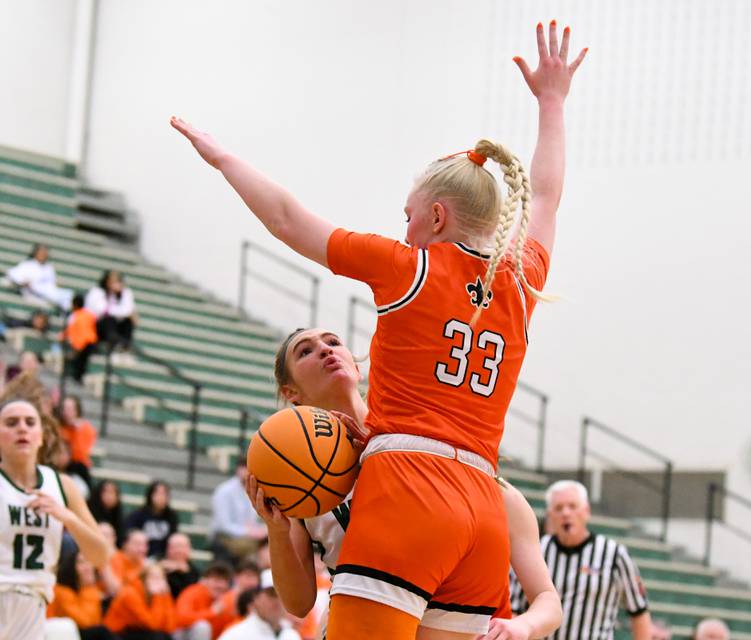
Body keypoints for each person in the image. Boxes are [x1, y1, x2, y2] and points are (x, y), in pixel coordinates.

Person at [173, 21, 585, 638]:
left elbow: (288, 220)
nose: (404, 226)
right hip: (481, 504)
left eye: (409, 215)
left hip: (410, 488)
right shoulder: (521, 278)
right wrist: (552, 103)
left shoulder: (409, 265)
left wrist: (224, 158)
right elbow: (546, 196)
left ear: (437, 216)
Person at [245, 328, 561, 639]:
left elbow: (548, 600)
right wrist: (277, 530)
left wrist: (523, 626)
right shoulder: (298, 481)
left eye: (333, 342)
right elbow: (299, 604)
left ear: (356, 367)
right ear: (291, 393)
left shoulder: (443, 455)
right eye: (305, 351)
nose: (325, 350)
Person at [0, 397, 111, 640]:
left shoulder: (62, 486)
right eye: (11, 422)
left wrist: (68, 518)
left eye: (30, 422)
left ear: (41, 436)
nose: (22, 428)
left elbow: (101, 555)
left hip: (33, 605)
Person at [514, 480, 651, 640]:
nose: (566, 513)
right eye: (558, 508)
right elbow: (514, 608)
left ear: (587, 511)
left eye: (572, 506)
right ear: (550, 515)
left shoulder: (614, 554)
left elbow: (639, 612)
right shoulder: (534, 551)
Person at [47, 550, 118, 640]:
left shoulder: (87, 590)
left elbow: (95, 620)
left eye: (89, 562)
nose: (88, 567)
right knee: (101, 631)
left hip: (79, 633)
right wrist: (89, 589)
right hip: (58, 634)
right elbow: (85, 622)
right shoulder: (61, 591)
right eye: (82, 562)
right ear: (71, 567)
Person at [209, 459, 267, 563]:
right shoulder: (224, 491)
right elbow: (224, 526)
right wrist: (249, 532)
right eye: (244, 467)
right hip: (223, 536)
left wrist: (259, 530)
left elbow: (252, 521)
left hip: (247, 534)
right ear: (237, 470)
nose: (246, 472)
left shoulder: (254, 489)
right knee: (256, 546)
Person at [103, 561, 176, 640]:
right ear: (143, 578)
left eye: (161, 578)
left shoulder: (154, 594)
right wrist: (159, 597)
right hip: (114, 633)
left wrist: (166, 596)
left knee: (165, 636)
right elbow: (152, 624)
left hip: (134, 629)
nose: (158, 582)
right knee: (157, 637)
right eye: (153, 577)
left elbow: (170, 627)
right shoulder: (130, 593)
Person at [218, 572, 301, 640]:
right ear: (255, 598)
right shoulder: (235, 635)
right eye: (272, 594)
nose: (278, 601)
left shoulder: (292, 635)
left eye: (284, 595)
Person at [174, 562, 234, 640]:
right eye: (216, 580)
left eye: (225, 581)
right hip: (182, 634)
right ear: (205, 580)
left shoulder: (227, 599)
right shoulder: (192, 592)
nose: (220, 585)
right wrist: (212, 612)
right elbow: (181, 618)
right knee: (202, 626)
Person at [5, 243, 73, 310]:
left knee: (70, 295)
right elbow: (12, 274)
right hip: (34, 293)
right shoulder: (27, 265)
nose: (44, 254)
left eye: (45, 253)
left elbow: (52, 284)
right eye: (42, 252)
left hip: (49, 292)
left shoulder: (49, 267)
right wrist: (22, 283)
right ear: (36, 253)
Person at [123, 481, 178, 559]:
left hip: (163, 558)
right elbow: (127, 537)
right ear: (150, 495)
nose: (162, 497)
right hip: (140, 556)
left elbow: (172, 539)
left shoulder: (172, 516)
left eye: (165, 494)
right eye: (158, 494)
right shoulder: (138, 515)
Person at [85, 271, 137, 351]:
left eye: (117, 281)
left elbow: (128, 310)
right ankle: (113, 341)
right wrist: (119, 312)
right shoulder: (97, 292)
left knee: (128, 322)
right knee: (109, 320)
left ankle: (124, 346)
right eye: (112, 281)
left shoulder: (124, 293)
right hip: (98, 327)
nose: (114, 284)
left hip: (117, 327)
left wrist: (119, 297)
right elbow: (101, 310)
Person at [58, 395, 97, 490]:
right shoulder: (59, 428)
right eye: (64, 408)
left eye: (70, 409)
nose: (66, 412)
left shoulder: (86, 429)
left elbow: (81, 453)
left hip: (79, 467)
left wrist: (77, 431)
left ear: (77, 411)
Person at [61, 294, 98, 384]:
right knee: (83, 361)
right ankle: (78, 377)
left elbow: (70, 329)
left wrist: (62, 337)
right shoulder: (89, 314)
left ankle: (76, 377)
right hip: (91, 341)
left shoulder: (74, 316)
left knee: (79, 361)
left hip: (82, 342)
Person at [160, 533, 199, 599]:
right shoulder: (158, 564)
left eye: (182, 546)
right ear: (168, 548)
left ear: (189, 549)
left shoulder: (194, 571)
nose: (179, 550)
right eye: (176, 546)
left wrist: (180, 568)